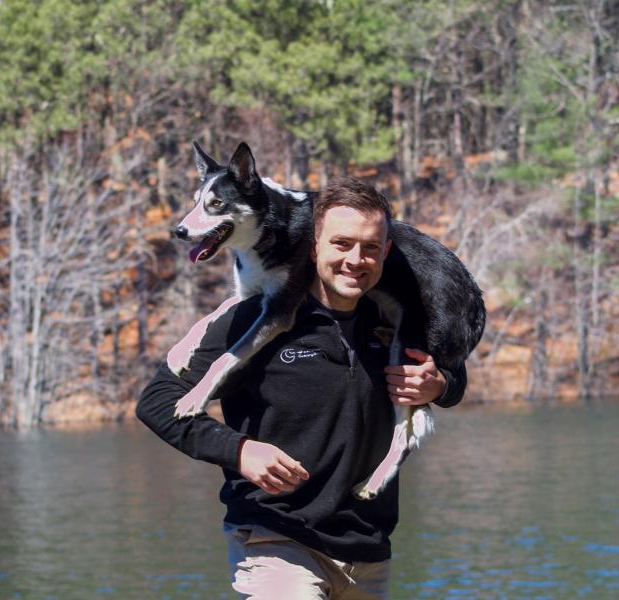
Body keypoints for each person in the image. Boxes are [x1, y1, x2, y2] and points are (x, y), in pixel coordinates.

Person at [136, 177, 467, 599]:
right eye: (341, 244)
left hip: (367, 553)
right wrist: (238, 450)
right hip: (277, 542)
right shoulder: (251, 318)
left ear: (385, 251)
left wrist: (438, 385)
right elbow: (157, 402)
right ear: (313, 245)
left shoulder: (390, 316)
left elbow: (454, 377)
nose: (355, 260)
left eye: (369, 247)